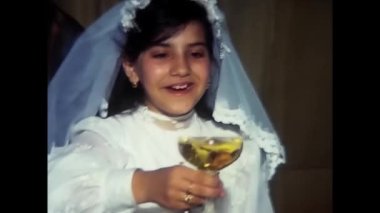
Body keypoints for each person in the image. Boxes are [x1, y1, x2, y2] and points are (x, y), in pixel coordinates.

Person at [48, 0, 285, 212]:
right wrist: (142, 186)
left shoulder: (235, 150)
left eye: (195, 53)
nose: (181, 68)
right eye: (161, 55)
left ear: (211, 66)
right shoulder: (108, 138)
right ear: (131, 68)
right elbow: (58, 194)